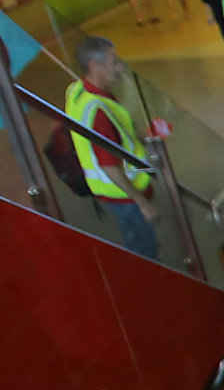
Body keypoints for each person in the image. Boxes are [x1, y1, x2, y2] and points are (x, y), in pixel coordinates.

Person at [64, 36, 159, 259]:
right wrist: (143, 204)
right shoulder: (98, 110)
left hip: (115, 192)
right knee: (143, 250)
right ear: (94, 66)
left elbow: (116, 136)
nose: (120, 67)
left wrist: (141, 135)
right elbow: (109, 165)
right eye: (113, 62)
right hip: (124, 194)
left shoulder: (77, 90)